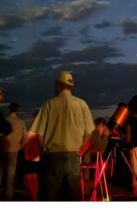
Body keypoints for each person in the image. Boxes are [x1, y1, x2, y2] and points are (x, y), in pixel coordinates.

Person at [30, 70, 95, 201]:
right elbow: (89, 133)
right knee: (72, 197)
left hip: (52, 157)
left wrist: (44, 150)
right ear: (71, 86)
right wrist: (80, 151)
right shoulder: (82, 104)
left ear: (58, 85)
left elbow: (39, 134)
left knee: (51, 196)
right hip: (73, 155)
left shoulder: (49, 104)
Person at [2, 101, 27, 201]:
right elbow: (25, 139)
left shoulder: (4, 120)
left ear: (9, 109)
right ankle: (9, 199)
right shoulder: (21, 122)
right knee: (10, 178)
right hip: (14, 151)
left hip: (3, 151)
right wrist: (19, 147)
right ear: (17, 110)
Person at [20, 111, 41, 201]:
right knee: (30, 179)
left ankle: (35, 198)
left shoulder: (36, 132)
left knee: (32, 179)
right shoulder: (33, 132)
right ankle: (34, 197)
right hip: (31, 158)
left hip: (34, 158)